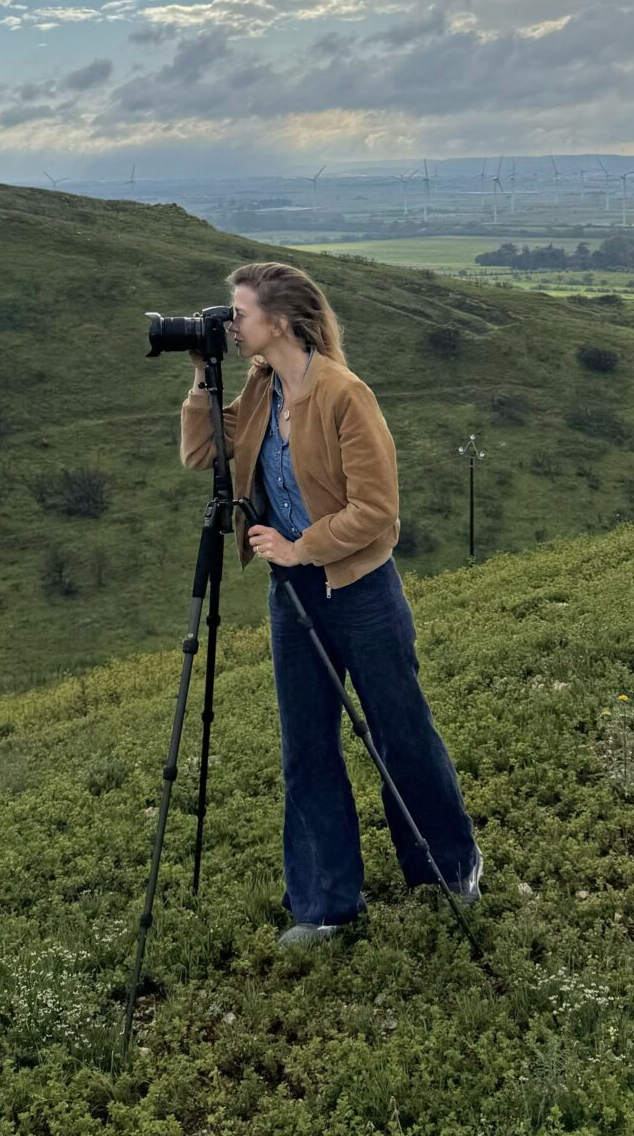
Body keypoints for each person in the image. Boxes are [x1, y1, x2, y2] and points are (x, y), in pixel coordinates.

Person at [180, 261, 482, 946]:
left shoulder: (346, 394)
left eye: (241, 312)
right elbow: (203, 451)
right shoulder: (260, 390)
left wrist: (300, 545)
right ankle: (325, 905)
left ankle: (448, 869)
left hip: (362, 590)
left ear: (278, 321)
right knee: (307, 748)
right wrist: (203, 376)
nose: (231, 324)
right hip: (294, 597)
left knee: (398, 732)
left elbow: (376, 510)